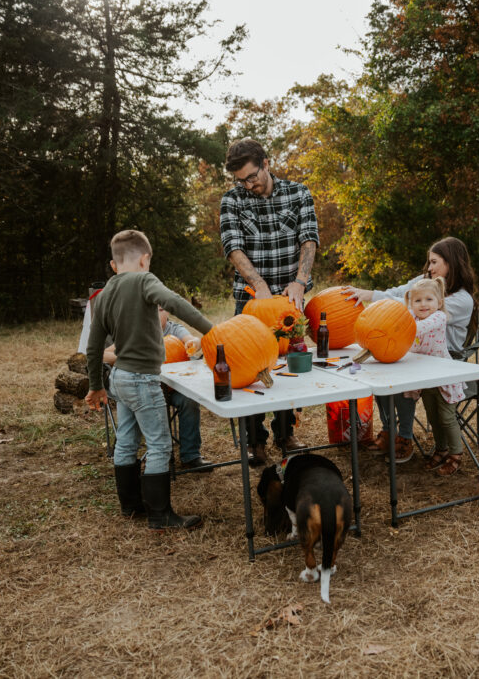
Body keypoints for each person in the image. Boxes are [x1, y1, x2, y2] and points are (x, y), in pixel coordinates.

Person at [85, 230, 214, 532]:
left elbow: (93, 348)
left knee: (127, 441)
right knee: (159, 445)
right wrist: (210, 330)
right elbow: (175, 303)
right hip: (142, 380)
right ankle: (160, 514)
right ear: (144, 259)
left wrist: (95, 386)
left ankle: (130, 505)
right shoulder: (144, 280)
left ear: (115, 263)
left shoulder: (103, 295)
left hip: (119, 379)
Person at [219, 137, 319, 465]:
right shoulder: (232, 200)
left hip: (289, 300)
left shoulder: (298, 193)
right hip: (250, 301)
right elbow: (233, 245)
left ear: (266, 163)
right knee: (249, 369)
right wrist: (258, 284)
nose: (248, 185)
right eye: (241, 180)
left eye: (252, 177)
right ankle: (254, 441)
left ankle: (286, 431)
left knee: (287, 368)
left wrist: (300, 282)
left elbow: (308, 239)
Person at [342, 236, 478, 463]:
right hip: (417, 351)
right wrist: (369, 295)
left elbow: (412, 308)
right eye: (429, 262)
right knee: (383, 366)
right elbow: (401, 293)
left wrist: (384, 308)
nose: (429, 268)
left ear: (451, 262)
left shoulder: (462, 299)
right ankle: (389, 430)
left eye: (434, 262)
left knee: (400, 373)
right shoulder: (426, 281)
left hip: (445, 361)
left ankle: (404, 437)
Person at [103, 309, 212, 473]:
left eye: (160, 310)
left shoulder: (174, 330)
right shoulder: (136, 331)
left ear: (167, 312)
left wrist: (194, 343)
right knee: (138, 422)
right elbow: (104, 354)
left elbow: (192, 339)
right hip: (143, 388)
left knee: (189, 400)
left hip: (172, 388)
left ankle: (190, 456)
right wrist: (128, 357)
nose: (155, 314)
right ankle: (147, 460)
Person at [401, 277, 466, 475]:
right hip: (426, 377)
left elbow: (418, 329)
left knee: (446, 417)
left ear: (439, 303)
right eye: (418, 300)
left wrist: (399, 325)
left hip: (445, 377)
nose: (423, 304)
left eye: (429, 299)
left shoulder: (438, 317)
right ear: (411, 304)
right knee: (433, 417)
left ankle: (456, 454)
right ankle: (441, 448)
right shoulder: (411, 318)